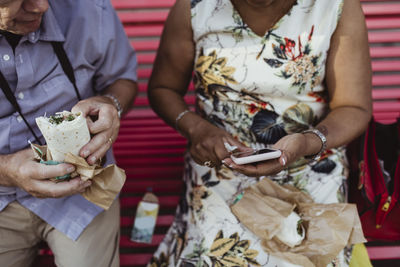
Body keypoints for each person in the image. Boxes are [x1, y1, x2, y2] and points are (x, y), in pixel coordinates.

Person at [147, 0, 372, 266]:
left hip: (310, 179)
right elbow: (163, 88)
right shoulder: (196, 7)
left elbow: (353, 107)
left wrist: (306, 142)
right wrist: (197, 129)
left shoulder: (336, 7)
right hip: (220, 179)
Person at [0, 0, 137, 266]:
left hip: (84, 190)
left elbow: (123, 80)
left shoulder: (89, 8)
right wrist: (6, 171)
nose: (41, 6)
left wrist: (112, 105)